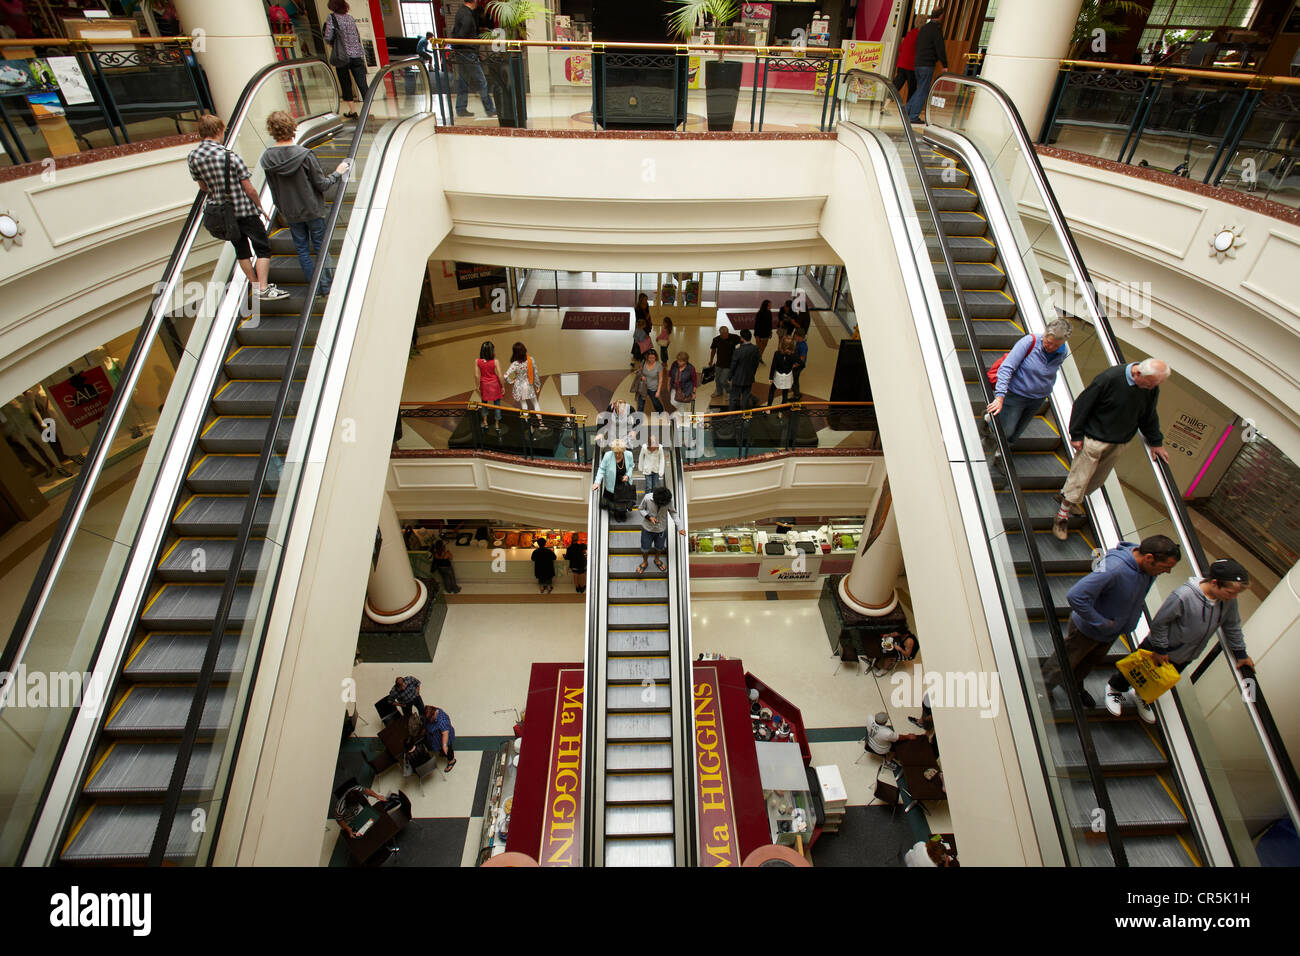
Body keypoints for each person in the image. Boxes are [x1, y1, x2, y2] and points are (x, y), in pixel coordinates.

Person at [1104, 558, 1253, 724]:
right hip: (1158, 649)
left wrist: (1241, 654)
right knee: (1132, 672)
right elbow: (1160, 622)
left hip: (1185, 655)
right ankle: (1114, 689)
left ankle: (1141, 696)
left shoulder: (1228, 603)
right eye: (1230, 592)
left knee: (1157, 682)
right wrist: (1160, 649)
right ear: (1215, 582)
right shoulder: (1184, 595)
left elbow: (1232, 626)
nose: (1234, 597)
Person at [1041, 536, 1181, 705]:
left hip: (1111, 631)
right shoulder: (1114, 568)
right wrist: (1101, 622)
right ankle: (1043, 689)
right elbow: (1076, 596)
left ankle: (1073, 685)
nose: (1167, 572)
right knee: (1065, 660)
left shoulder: (1147, 568)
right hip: (1088, 631)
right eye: (1165, 567)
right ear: (1149, 558)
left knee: (1089, 662)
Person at [1052, 358, 1170, 541]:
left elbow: (1149, 415)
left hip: (1119, 441)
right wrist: (1076, 435)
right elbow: (1082, 405)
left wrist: (1156, 442)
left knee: (1096, 480)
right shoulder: (1109, 378)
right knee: (1080, 477)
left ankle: (1066, 498)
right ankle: (1062, 515)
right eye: (1151, 384)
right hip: (1095, 439)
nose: (1153, 387)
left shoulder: (1151, 388)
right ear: (1138, 374)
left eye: (1156, 384)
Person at [188, 114, 286, 300]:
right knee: (262, 248)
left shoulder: (193, 157)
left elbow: (203, 186)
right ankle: (264, 288)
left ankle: (255, 285)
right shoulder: (229, 157)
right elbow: (250, 190)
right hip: (245, 211)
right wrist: (260, 207)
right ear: (218, 130)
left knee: (241, 250)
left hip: (225, 214)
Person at [259, 110, 349, 296]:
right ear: (292, 127)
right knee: (321, 248)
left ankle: (317, 287)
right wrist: (337, 172)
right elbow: (322, 185)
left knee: (302, 250)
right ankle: (326, 285)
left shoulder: (267, 159)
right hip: (312, 210)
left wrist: (282, 209)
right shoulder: (305, 155)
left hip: (290, 212)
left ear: (272, 130)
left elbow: (274, 190)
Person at [985, 318, 1073, 463]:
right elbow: (1007, 368)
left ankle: (1000, 455)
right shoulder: (1029, 342)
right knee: (1007, 430)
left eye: (1055, 345)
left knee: (1017, 431)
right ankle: (990, 422)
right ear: (1045, 333)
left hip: (1038, 398)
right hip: (1016, 394)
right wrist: (1000, 396)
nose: (1050, 347)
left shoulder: (1063, 352)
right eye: (1048, 341)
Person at [451, 0, 496, 119]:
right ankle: (490, 109)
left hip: (463, 53)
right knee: (481, 81)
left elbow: (457, 32)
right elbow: (461, 35)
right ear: (474, 1)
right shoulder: (467, 15)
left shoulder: (461, 12)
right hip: (468, 53)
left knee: (463, 81)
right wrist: (472, 46)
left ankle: (461, 108)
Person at [323, 1, 368, 119]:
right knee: (362, 83)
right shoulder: (350, 18)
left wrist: (330, 42)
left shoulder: (331, 17)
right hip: (357, 55)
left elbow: (328, 36)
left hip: (341, 55)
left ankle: (353, 111)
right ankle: (367, 110)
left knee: (345, 83)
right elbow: (356, 36)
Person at [907, 7, 947, 124]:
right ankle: (913, 116)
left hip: (918, 63)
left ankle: (906, 110)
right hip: (927, 64)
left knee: (920, 89)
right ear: (941, 16)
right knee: (923, 90)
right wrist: (944, 64)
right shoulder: (936, 30)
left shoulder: (923, 29)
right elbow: (940, 48)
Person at [636, 485, 685, 574]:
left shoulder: (668, 501)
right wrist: (648, 517)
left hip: (661, 529)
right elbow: (640, 509)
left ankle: (657, 559)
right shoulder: (647, 498)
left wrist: (680, 527)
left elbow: (673, 513)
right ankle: (645, 562)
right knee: (645, 548)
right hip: (647, 528)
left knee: (659, 547)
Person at [505, 341, 547, 431]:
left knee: (524, 405)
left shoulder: (515, 364)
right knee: (535, 403)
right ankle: (541, 423)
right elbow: (535, 373)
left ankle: (529, 426)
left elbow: (505, 375)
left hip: (519, 386)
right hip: (528, 385)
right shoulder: (530, 359)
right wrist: (538, 384)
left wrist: (510, 381)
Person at [592, 438, 635, 520]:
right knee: (615, 501)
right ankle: (616, 514)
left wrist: (628, 475)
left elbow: (631, 466)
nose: (617, 455)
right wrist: (597, 482)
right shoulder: (608, 455)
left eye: (619, 453)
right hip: (613, 483)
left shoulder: (629, 454)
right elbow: (601, 469)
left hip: (623, 483)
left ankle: (622, 513)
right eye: (615, 453)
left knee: (624, 500)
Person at [474, 340, 504, 432]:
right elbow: (499, 375)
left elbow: (476, 375)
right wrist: (502, 386)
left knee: (484, 403)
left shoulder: (477, 361)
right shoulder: (495, 361)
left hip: (484, 385)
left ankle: (485, 422)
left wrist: (477, 385)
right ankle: (497, 424)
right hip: (495, 385)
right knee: (497, 404)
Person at [728, 329, 760, 411]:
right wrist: (752, 374)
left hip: (738, 378)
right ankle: (744, 414)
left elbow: (733, 365)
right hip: (749, 377)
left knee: (734, 397)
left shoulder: (738, 351)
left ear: (742, 338)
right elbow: (756, 364)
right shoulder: (755, 349)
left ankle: (731, 416)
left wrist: (729, 377)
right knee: (745, 397)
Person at [422, 704, 456, 772]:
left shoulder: (442, 721)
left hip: (444, 739)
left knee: (448, 750)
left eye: (429, 719)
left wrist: (444, 745)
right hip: (436, 738)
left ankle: (451, 761)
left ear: (433, 715)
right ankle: (442, 752)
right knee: (442, 749)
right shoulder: (433, 712)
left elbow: (445, 733)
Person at [767, 336, 797, 408]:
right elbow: (802, 364)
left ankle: (768, 408)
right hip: (787, 376)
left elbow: (773, 366)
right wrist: (794, 366)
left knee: (772, 390)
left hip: (778, 376)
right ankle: (781, 412)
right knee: (785, 394)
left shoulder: (777, 353)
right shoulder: (793, 355)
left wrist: (770, 377)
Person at [708, 326, 736, 399]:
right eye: (724, 334)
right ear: (720, 334)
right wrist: (711, 360)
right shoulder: (716, 339)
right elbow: (713, 350)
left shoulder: (734, 337)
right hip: (719, 363)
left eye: (727, 333)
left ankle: (729, 392)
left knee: (723, 380)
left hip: (729, 364)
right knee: (717, 379)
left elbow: (742, 340)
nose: (726, 336)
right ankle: (719, 392)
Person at [634, 349, 666, 414]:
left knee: (655, 403)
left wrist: (658, 391)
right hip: (643, 387)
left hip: (653, 388)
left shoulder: (658, 366)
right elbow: (640, 371)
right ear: (647, 357)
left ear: (656, 357)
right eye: (650, 358)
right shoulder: (643, 362)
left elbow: (660, 379)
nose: (652, 359)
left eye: (653, 358)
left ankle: (661, 412)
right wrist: (641, 376)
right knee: (640, 405)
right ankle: (639, 419)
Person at [894, 20, 919, 100]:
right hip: (911, 66)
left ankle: (885, 105)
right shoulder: (920, 35)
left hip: (902, 64)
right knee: (912, 88)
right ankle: (908, 109)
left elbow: (900, 48)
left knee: (896, 86)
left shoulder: (909, 33)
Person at [791, 328, 808, 399]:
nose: (794, 337)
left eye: (795, 336)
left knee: (795, 379)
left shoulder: (803, 346)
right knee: (795, 378)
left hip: (799, 365)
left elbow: (802, 358)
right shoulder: (799, 343)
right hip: (797, 364)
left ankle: (796, 394)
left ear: (799, 336)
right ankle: (795, 390)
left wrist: (795, 365)